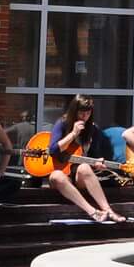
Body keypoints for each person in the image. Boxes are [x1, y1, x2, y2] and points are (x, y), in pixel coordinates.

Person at [45, 95, 124, 224]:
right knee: (56, 176)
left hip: (79, 176)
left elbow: (93, 157)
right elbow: (53, 150)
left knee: (85, 167)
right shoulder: (62, 123)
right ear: (74, 111)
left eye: (88, 113)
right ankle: (93, 212)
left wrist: (97, 164)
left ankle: (108, 210)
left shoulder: (93, 129)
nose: (84, 117)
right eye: (81, 113)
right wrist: (73, 134)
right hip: (63, 175)